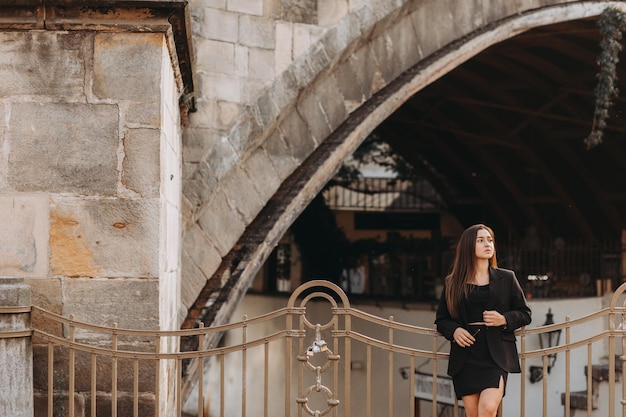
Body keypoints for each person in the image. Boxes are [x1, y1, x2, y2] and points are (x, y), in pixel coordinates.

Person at [435, 224, 532, 417]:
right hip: (466, 356)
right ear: (468, 246)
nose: (488, 244)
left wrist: (503, 319)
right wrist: (454, 331)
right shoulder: (453, 283)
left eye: (490, 240)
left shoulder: (507, 277)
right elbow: (442, 320)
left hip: (496, 355)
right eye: (481, 240)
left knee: (487, 409)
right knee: (473, 415)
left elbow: (525, 313)